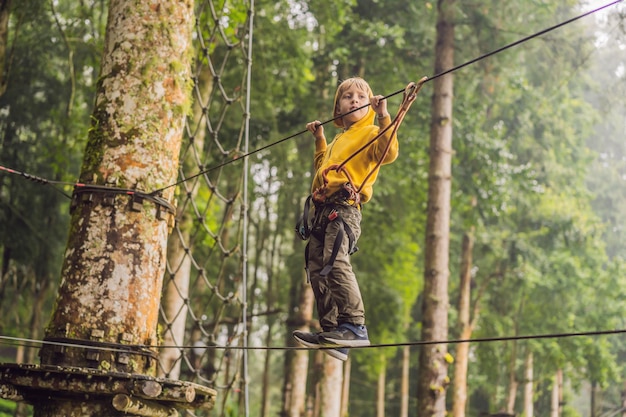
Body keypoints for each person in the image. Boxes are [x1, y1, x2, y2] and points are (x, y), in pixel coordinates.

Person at [293, 77, 400, 361]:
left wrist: (383, 114)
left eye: (360, 96)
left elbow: (388, 153)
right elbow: (322, 167)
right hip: (322, 211)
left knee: (334, 261)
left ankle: (355, 325)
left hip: (345, 208)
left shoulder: (372, 132)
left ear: (370, 103)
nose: (354, 99)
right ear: (337, 109)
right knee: (316, 268)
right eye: (347, 96)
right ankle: (333, 331)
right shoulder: (340, 138)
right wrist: (319, 139)